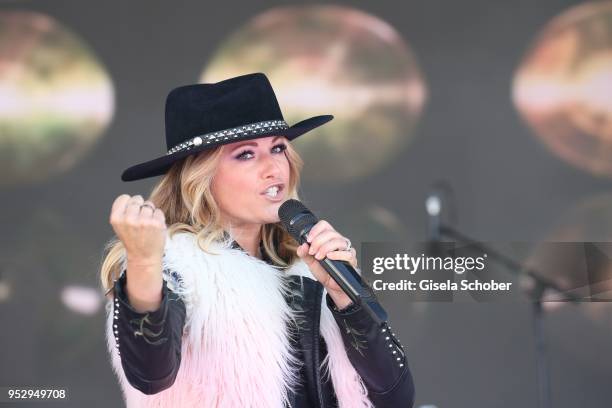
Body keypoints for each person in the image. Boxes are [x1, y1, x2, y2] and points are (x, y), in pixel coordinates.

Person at [100, 73, 415, 407]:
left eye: (278, 148)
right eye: (246, 154)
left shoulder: (311, 268)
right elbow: (151, 374)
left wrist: (348, 300)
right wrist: (145, 263)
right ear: (200, 176)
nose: (273, 167)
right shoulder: (176, 267)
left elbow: (396, 398)